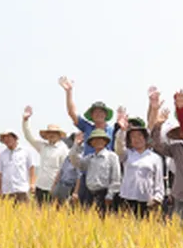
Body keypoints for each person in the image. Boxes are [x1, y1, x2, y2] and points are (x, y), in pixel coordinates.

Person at [59, 76, 118, 205]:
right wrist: (69, 93)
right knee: (84, 208)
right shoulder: (87, 127)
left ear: (106, 115)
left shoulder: (113, 131)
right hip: (87, 172)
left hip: (106, 176)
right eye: (95, 112)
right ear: (91, 116)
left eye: (101, 112)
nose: (98, 114)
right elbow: (72, 113)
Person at [148, 89, 183, 217]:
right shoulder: (176, 148)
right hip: (180, 196)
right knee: (177, 230)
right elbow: (156, 144)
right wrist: (158, 125)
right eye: (182, 130)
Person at [115, 114, 165, 212]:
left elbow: (158, 180)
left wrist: (158, 197)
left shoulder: (155, 157)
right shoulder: (127, 154)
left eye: (139, 136)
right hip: (127, 198)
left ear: (145, 138)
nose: (137, 139)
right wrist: (122, 131)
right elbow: (119, 147)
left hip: (147, 201)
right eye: (133, 137)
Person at [21, 107, 70, 205]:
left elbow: (64, 170)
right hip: (40, 186)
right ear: (46, 135)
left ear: (59, 135)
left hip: (54, 187)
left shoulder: (63, 149)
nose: (51, 135)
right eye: (49, 133)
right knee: (40, 214)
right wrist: (25, 120)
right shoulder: (43, 147)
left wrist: (59, 187)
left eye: (54, 133)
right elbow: (28, 137)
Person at [66, 128, 121, 212]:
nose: (98, 142)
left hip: (105, 195)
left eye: (100, 139)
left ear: (105, 141)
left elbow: (116, 178)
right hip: (90, 195)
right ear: (91, 143)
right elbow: (76, 162)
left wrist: (110, 195)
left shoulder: (112, 157)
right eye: (95, 140)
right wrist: (76, 145)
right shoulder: (89, 158)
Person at [0, 128, 37, 203]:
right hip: (7, 191)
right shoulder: (2, 155)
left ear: (15, 138)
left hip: (22, 189)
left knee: (24, 212)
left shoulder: (25, 151)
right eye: (4, 139)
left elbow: (31, 168)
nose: (7, 140)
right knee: (7, 213)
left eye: (9, 138)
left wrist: (32, 183)